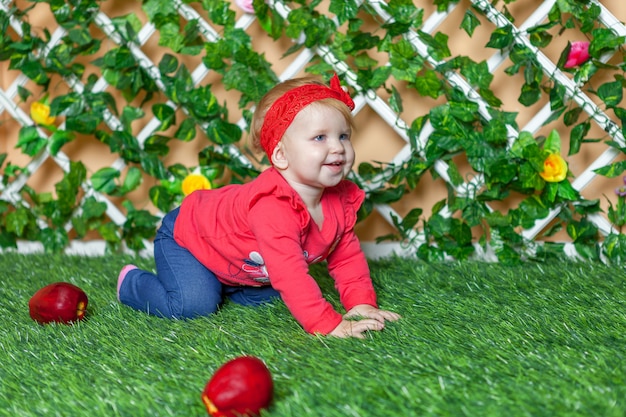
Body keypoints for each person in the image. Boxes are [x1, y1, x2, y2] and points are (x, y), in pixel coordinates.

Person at [117, 73, 401, 338]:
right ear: (280, 155)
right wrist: (328, 324)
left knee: (277, 291)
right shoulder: (273, 207)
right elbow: (289, 276)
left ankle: (226, 283)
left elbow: (346, 257)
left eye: (343, 136)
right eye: (319, 138)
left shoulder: (338, 200)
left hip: (237, 257)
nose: (338, 147)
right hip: (189, 239)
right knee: (194, 305)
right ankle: (132, 283)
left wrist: (361, 303)